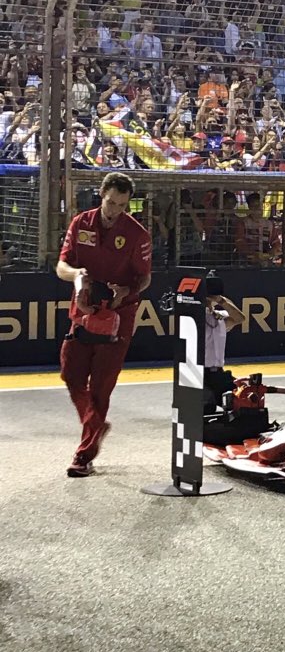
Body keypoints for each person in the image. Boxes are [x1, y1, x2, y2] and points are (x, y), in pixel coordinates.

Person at [56, 172, 152, 477]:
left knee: (100, 389)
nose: (114, 210)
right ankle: (96, 424)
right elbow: (61, 266)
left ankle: (83, 456)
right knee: (70, 375)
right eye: (111, 202)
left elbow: (145, 277)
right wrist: (78, 275)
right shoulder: (80, 223)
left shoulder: (138, 235)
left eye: (122, 205)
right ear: (101, 194)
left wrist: (126, 291)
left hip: (118, 319)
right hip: (82, 312)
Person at [203, 270, 244, 415]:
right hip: (200, 374)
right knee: (207, 409)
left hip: (218, 374)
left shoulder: (221, 317)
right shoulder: (194, 317)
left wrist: (221, 300)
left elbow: (240, 318)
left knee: (243, 402)